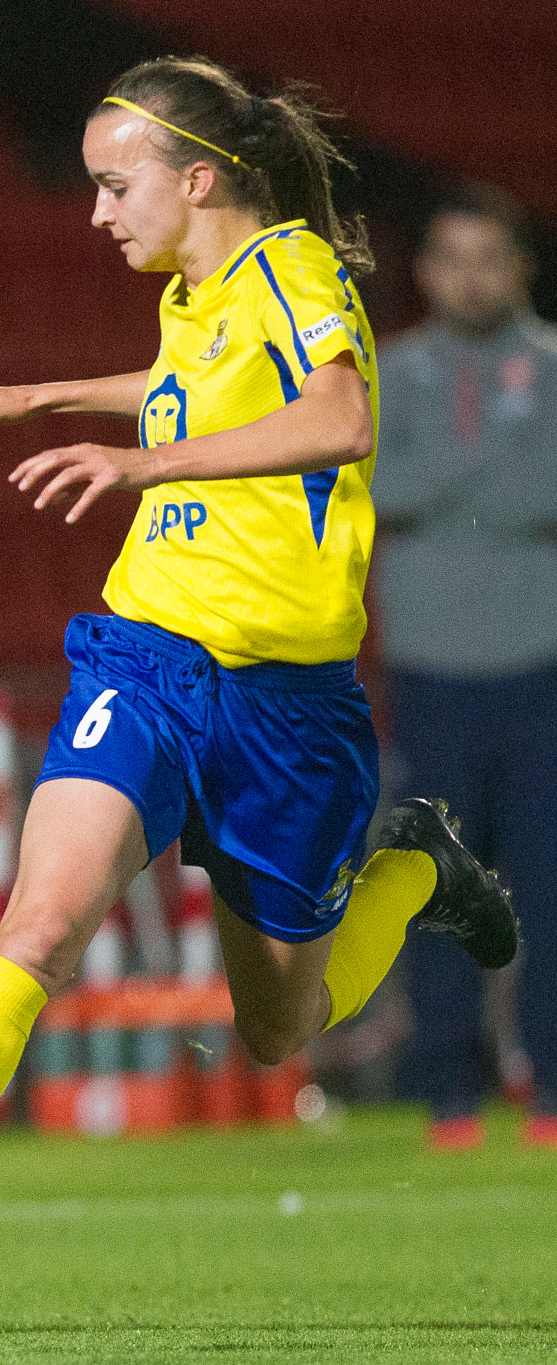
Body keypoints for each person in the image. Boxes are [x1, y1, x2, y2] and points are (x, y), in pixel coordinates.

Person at [0, 58, 518, 1286]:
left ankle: (413, 866)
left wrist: (141, 468)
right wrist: (45, 394)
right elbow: (187, 390)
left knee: (277, 1029)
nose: (96, 214)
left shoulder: (294, 271)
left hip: (288, 705)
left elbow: (336, 420)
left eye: (113, 186)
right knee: (39, 923)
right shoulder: (195, 290)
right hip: (147, 658)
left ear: (197, 178)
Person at [371, 185, 557, 1150]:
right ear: (425, 270)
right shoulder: (387, 374)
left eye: (492, 255)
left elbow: (540, 493)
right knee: (438, 882)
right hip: (431, 666)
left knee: (551, 880)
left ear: (523, 266)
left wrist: (439, 476)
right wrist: (498, 466)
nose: (471, 275)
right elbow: (373, 485)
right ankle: (445, 1089)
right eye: (453, 256)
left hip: (543, 663)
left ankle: (553, 1089)